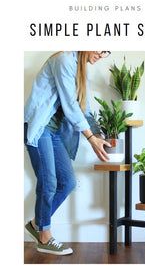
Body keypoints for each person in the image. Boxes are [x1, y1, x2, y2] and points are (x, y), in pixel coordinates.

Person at [24, 51, 111, 255]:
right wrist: (90, 139)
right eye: (101, 48)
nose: (103, 54)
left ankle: (37, 224)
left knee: (68, 182)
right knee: (49, 181)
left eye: (107, 51)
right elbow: (71, 106)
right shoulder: (64, 59)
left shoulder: (81, 69)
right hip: (40, 127)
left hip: (54, 132)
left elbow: (84, 107)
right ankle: (44, 236)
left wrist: (98, 135)